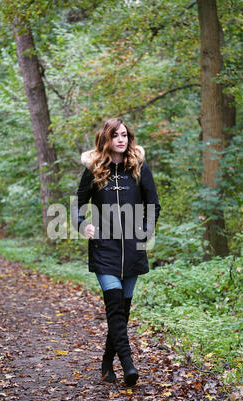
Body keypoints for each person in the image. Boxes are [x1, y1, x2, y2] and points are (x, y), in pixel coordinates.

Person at [72, 118, 161, 386]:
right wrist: (82, 225)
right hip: (104, 249)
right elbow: (77, 204)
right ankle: (128, 366)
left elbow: (153, 204)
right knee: (114, 307)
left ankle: (106, 362)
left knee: (122, 312)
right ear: (106, 139)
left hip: (133, 249)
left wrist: (146, 228)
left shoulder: (139, 168)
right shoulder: (94, 169)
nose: (121, 139)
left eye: (124, 135)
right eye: (115, 135)